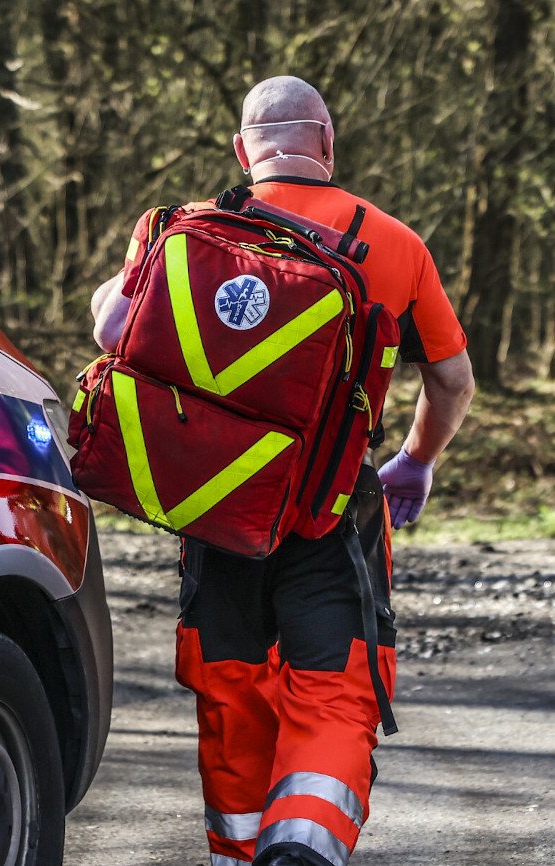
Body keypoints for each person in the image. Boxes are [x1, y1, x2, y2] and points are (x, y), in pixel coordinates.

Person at [91, 76, 475, 866]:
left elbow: (112, 329)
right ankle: (303, 844)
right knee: (334, 690)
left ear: (243, 150)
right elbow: (452, 382)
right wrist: (416, 461)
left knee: (231, 687)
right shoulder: (394, 244)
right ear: (326, 143)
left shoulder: (173, 229)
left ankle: (238, 852)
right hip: (330, 507)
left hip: (214, 505)